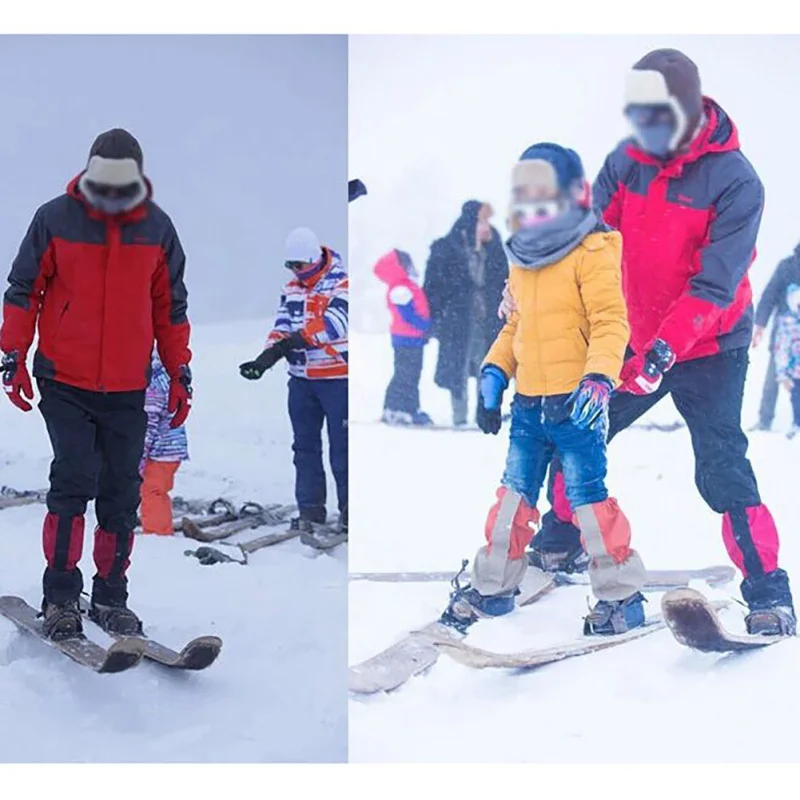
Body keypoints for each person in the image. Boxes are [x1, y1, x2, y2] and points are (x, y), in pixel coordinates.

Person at [523, 48, 795, 636]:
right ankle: (561, 538)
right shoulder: (627, 162)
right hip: (631, 335)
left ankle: (769, 591)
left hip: (710, 346)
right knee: (579, 432)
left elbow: (715, 284)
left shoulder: (736, 181)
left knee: (721, 465)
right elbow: (588, 240)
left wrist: (664, 350)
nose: (645, 131)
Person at [440, 143, 647, 636]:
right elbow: (515, 328)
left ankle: (623, 596)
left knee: (587, 503)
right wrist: (494, 374)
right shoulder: (523, 257)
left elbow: (610, 321)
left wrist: (600, 376)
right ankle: (493, 586)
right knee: (512, 499)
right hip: (529, 405)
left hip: (577, 404)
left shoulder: (593, 251)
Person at [0, 128, 192, 640]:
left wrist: (178, 371)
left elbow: (170, 308)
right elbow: (24, 290)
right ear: (87, 172)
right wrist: (13, 355)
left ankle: (111, 596)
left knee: (121, 491)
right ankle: (61, 595)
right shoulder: (54, 218)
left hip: (128, 385)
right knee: (74, 477)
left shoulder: (157, 228)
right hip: (64, 378)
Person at [239, 227, 348, 534]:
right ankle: (310, 510)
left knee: (343, 449)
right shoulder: (292, 288)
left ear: (314, 259)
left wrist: (292, 342)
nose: (296, 272)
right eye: (290, 266)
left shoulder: (341, 284)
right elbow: (282, 325)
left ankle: (350, 511)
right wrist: (266, 357)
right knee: (304, 448)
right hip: (301, 382)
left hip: (338, 381)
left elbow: (333, 326)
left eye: (299, 265)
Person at [423, 201, 508, 427]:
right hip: (458, 322)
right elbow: (433, 286)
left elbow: (505, 281)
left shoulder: (495, 247)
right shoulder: (448, 248)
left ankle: (485, 415)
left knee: (488, 367)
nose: (487, 226)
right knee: (458, 370)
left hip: (488, 320)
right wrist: (437, 318)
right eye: (482, 221)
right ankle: (459, 417)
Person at [374, 249, 433, 426]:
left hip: (412, 338)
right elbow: (409, 315)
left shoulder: (405, 285)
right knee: (405, 374)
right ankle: (394, 408)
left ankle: (409, 408)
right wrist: (425, 325)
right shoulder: (400, 288)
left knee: (411, 374)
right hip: (406, 338)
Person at [750, 245, 800, 431]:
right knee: (774, 377)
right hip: (784, 339)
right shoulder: (787, 266)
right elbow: (769, 296)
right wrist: (760, 326)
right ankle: (765, 419)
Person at [139, 350, 189, 535]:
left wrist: (139, 458)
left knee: (152, 491)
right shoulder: (165, 376)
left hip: (162, 450)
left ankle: (157, 533)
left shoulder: (152, 386)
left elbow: (147, 427)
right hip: (167, 448)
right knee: (153, 490)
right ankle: (154, 526)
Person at [773, 283, 800, 439]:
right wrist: (782, 374)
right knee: (796, 397)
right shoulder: (788, 324)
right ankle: (797, 423)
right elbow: (782, 349)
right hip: (796, 372)